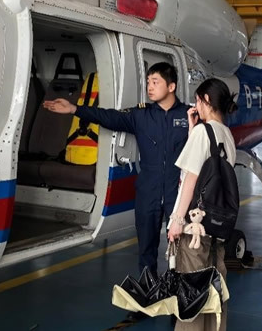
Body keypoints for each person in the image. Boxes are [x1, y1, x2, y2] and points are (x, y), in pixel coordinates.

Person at [43, 62, 189, 321]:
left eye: (155, 82)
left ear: (171, 86)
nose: (149, 87)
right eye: (148, 82)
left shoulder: (189, 116)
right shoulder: (141, 115)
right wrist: (75, 109)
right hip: (148, 192)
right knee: (146, 249)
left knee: (181, 250)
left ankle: (179, 301)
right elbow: (109, 117)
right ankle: (146, 300)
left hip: (177, 194)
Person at [167, 78, 238, 331]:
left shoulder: (202, 133)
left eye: (198, 100)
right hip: (215, 228)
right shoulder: (227, 134)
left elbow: (191, 180)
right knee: (214, 294)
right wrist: (193, 130)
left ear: (206, 100)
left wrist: (177, 220)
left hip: (194, 228)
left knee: (191, 297)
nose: (195, 105)